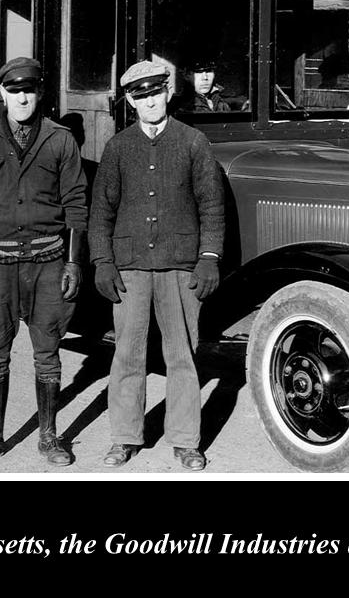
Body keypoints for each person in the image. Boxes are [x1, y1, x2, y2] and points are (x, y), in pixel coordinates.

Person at [89, 60, 225, 471]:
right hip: (130, 264)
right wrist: (103, 262)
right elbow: (101, 211)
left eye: (155, 93)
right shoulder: (118, 147)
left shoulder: (193, 142)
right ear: (130, 102)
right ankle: (124, 437)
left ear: (168, 93)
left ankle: (185, 440)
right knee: (127, 353)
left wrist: (208, 258)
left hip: (180, 265)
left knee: (181, 354)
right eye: (140, 96)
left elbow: (212, 206)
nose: (149, 102)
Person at [0, 57, 88, 468]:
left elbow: (76, 205)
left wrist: (72, 263)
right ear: (3, 94)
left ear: (40, 93)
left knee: (47, 350)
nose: (22, 98)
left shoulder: (60, 140)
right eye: (14, 91)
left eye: (29, 90)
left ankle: (49, 436)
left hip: (48, 263)